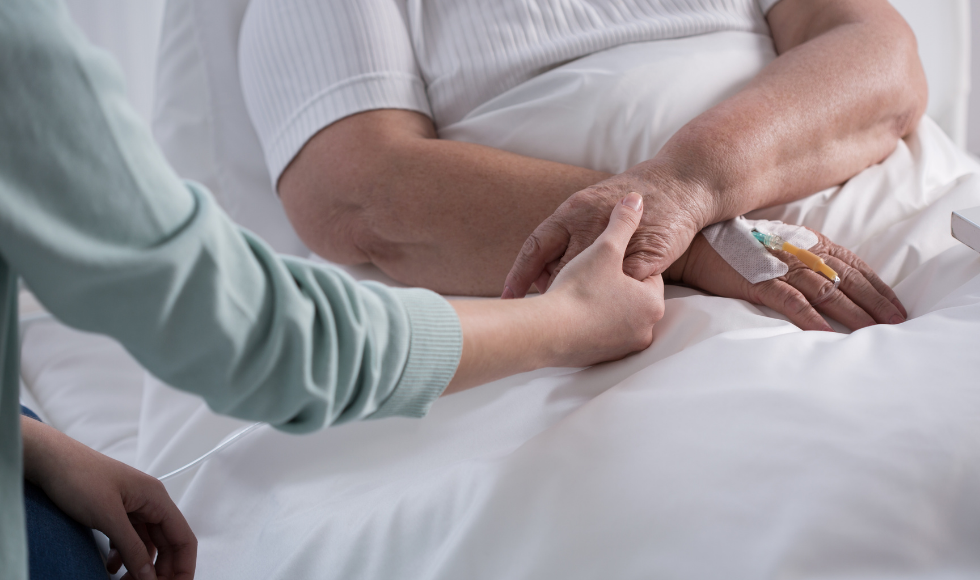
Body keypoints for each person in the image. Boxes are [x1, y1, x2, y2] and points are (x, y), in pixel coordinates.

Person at [239, 0, 922, 328]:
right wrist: (678, 241)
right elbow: (357, 191)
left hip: (900, 230)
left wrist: (689, 184)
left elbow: (881, 55)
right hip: (636, 301)